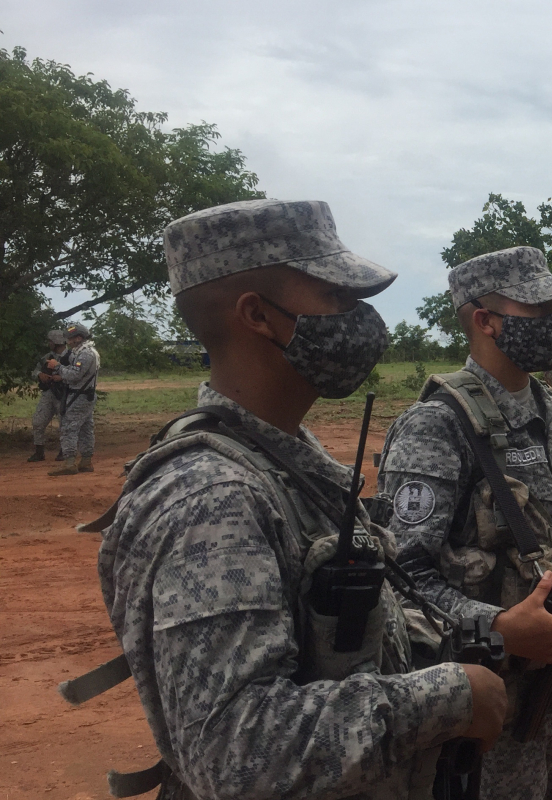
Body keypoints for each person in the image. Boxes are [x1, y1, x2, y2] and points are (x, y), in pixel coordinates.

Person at [93, 198, 508, 799]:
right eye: (336, 298)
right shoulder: (212, 498)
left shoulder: (285, 464)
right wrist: (447, 698)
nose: (359, 317)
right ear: (258, 315)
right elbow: (234, 749)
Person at [376, 246, 552, 800]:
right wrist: (496, 627)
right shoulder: (435, 427)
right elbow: (399, 575)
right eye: (539, 310)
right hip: (482, 700)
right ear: (486, 320)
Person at [47, 321, 100, 475]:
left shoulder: (85, 354)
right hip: (85, 395)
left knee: (69, 427)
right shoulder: (84, 351)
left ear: (78, 338)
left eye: (70, 338)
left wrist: (57, 367)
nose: (68, 341)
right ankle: (85, 461)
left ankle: (69, 462)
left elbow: (74, 375)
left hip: (79, 395)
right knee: (85, 428)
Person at [28, 329, 68, 462]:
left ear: (56, 342)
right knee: (38, 422)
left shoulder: (72, 356)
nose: (49, 343)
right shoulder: (46, 357)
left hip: (64, 394)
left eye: (50, 341)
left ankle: (64, 451)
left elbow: (77, 374)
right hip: (48, 393)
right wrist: (40, 375)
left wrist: (61, 378)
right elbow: (35, 370)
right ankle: (39, 452)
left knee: (64, 424)